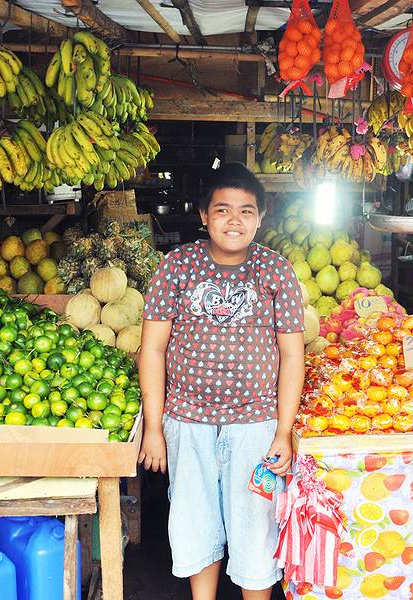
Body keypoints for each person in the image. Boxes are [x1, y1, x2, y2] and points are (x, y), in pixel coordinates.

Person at [138, 163, 305, 600]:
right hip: (187, 421)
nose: (235, 221)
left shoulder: (276, 271)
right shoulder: (176, 267)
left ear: (260, 217)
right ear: (203, 215)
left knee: (257, 529)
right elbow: (152, 349)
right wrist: (154, 428)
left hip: (256, 426)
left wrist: (283, 431)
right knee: (195, 522)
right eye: (223, 210)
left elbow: (292, 355)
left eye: (246, 211)